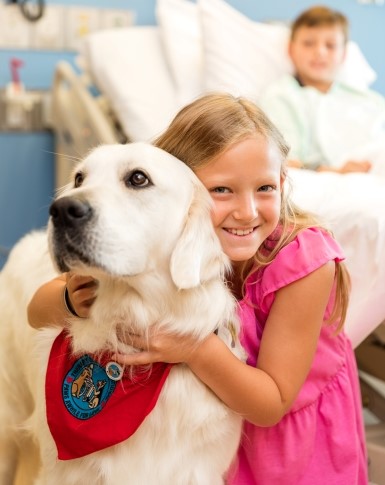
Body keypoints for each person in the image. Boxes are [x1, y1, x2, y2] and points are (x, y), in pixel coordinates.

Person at [28, 93, 367, 484]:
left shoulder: (303, 263)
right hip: (217, 426)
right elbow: (37, 311)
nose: (247, 211)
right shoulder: (155, 244)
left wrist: (194, 348)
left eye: (265, 188)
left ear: (282, 182)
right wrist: (71, 298)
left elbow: (271, 403)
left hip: (288, 437)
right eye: (221, 190)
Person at [259, 5, 385, 175]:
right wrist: (337, 171)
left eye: (331, 45)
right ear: (291, 50)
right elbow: (285, 163)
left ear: (344, 55)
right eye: (308, 43)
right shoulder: (282, 96)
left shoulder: (371, 100)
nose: (320, 52)